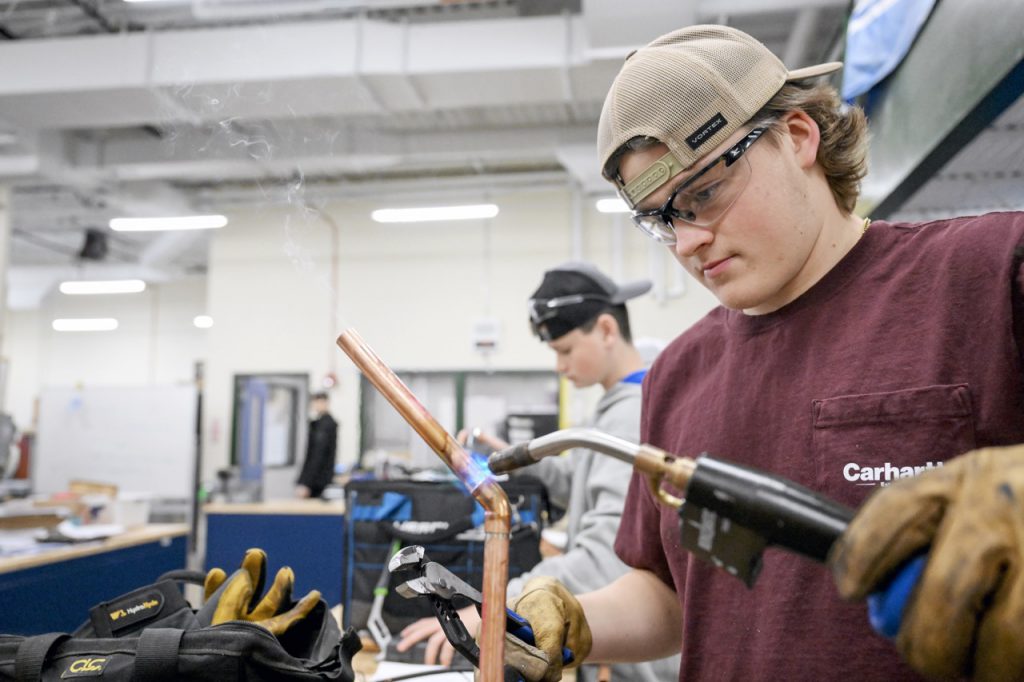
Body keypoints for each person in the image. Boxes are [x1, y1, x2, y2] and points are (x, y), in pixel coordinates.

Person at [501, 24, 1024, 682]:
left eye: (705, 193)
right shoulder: (679, 377)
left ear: (798, 137)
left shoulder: (989, 276)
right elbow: (672, 593)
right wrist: (571, 619)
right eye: (662, 218)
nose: (687, 241)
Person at [397, 262, 679, 682]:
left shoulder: (630, 414)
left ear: (606, 330)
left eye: (565, 350)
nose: (560, 365)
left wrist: (496, 609)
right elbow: (587, 488)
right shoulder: (616, 407)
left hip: (639, 659)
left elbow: (608, 557)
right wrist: (523, 462)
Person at [295, 392, 338, 498]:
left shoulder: (325, 425)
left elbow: (317, 455)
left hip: (317, 481)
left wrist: (306, 483)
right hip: (319, 479)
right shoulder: (320, 423)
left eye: (319, 402)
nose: (316, 405)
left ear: (326, 403)